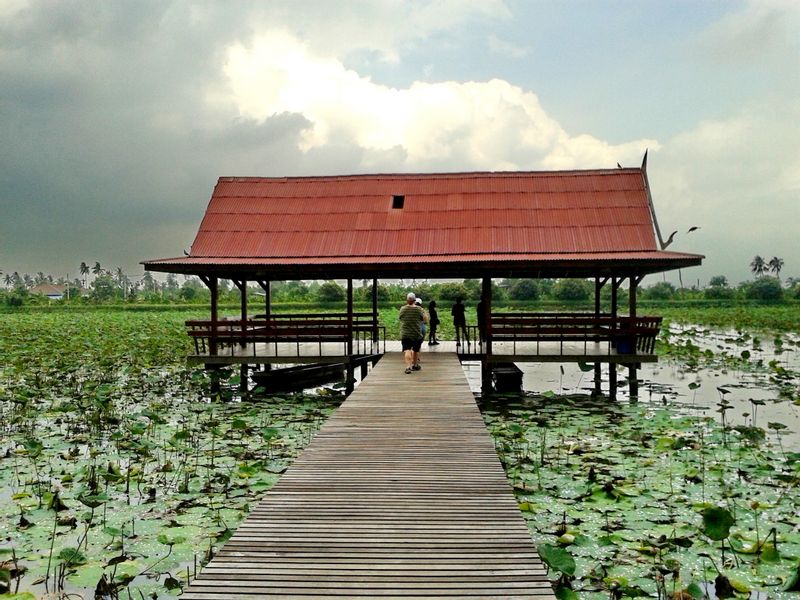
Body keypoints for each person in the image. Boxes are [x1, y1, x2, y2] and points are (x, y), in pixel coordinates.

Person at [399, 292, 424, 373]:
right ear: (414, 300)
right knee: (416, 350)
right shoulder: (419, 309)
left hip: (405, 333)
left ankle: (408, 367)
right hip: (416, 333)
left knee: (407, 350)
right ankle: (415, 365)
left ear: (407, 300)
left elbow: (400, 317)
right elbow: (423, 319)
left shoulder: (403, 309)